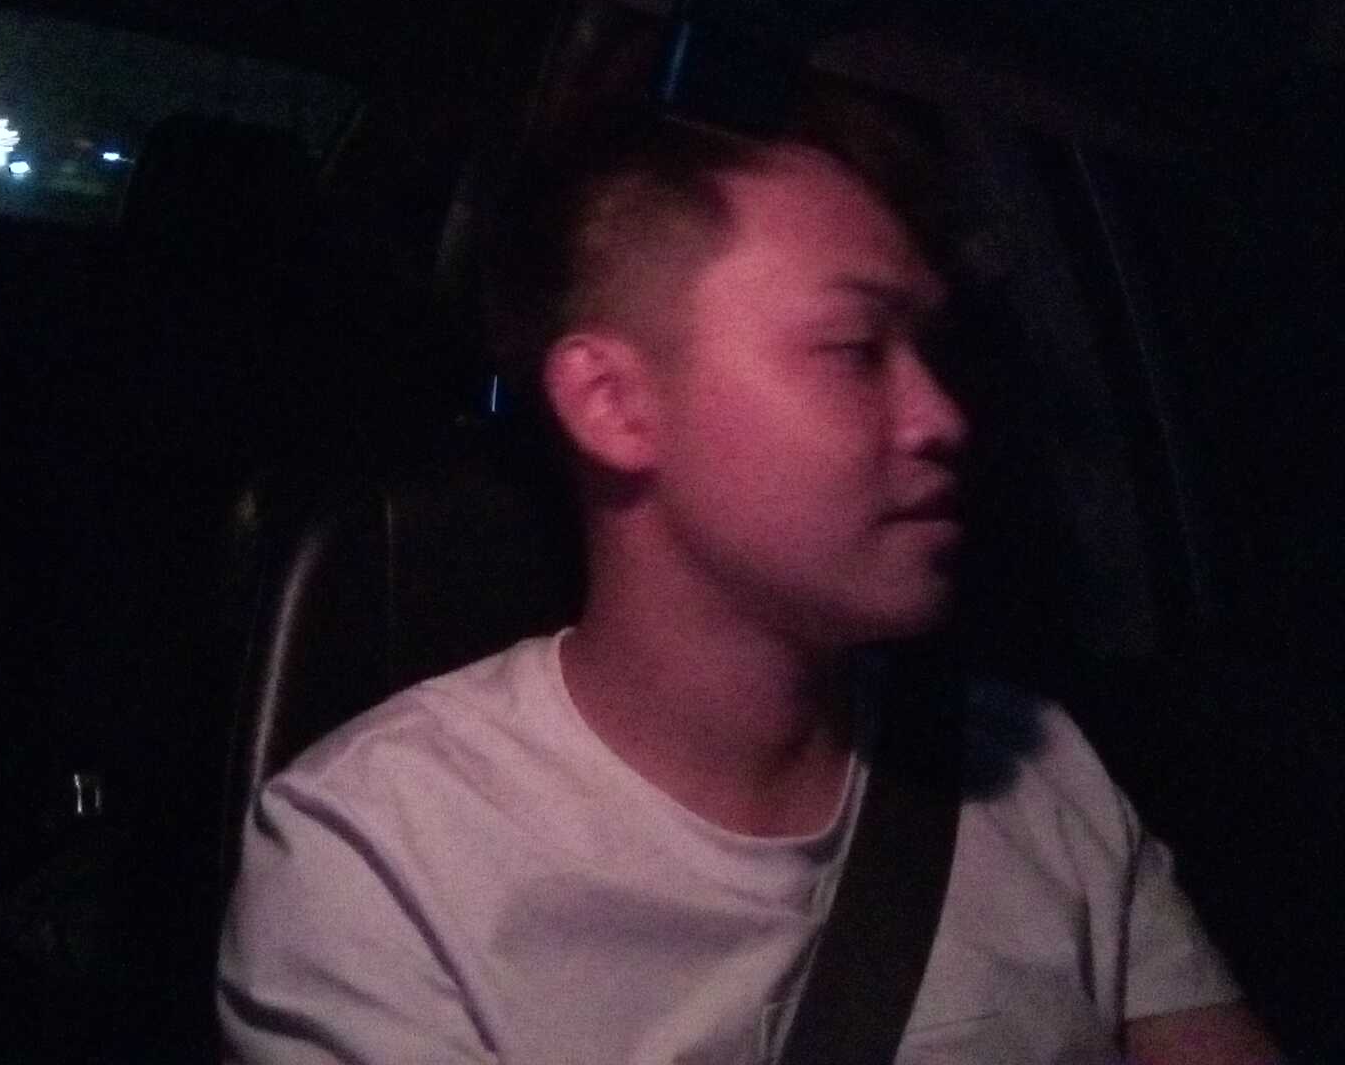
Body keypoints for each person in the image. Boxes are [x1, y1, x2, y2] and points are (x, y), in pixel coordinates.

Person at [217, 106, 1281, 1063]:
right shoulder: (382, 854)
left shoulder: (1037, 770)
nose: (941, 418)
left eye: (929, 350)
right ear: (614, 405)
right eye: (854, 349)